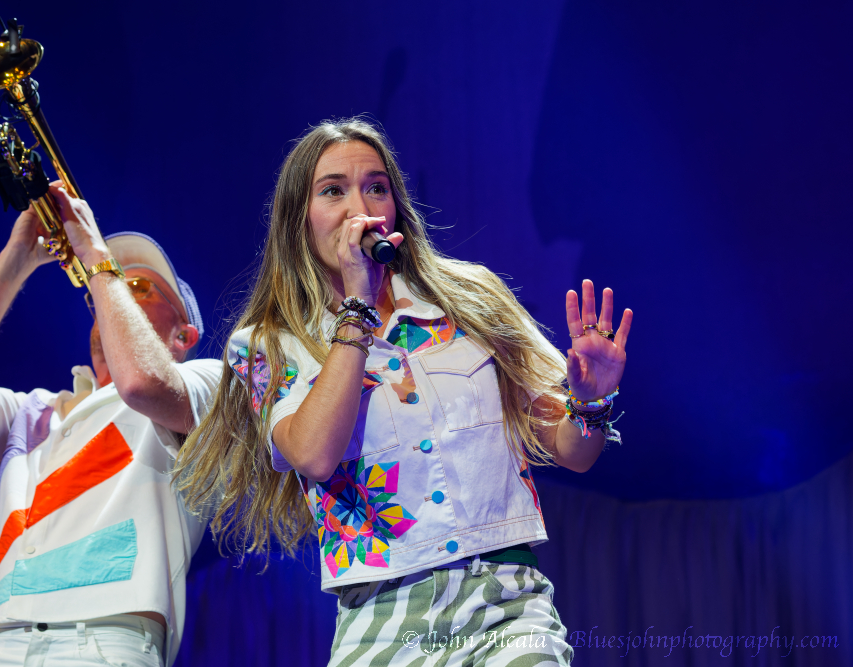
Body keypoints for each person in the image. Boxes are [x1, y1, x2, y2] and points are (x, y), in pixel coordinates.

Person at [175, 117, 632, 665]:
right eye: (333, 191)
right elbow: (315, 455)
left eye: (375, 186)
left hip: (505, 601)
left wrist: (591, 401)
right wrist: (356, 310)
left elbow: (573, 451)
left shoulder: (471, 300)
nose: (360, 206)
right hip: (380, 618)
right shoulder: (269, 343)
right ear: (301, 221)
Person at [0, 185, 220, 666]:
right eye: (108, 286)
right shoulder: (34, 412)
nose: (112, 290)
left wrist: (95, 254)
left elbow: (140, 381)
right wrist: (15, 262)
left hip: (104, 637)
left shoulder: (203, 382)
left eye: (136, 287)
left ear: (184, 335)